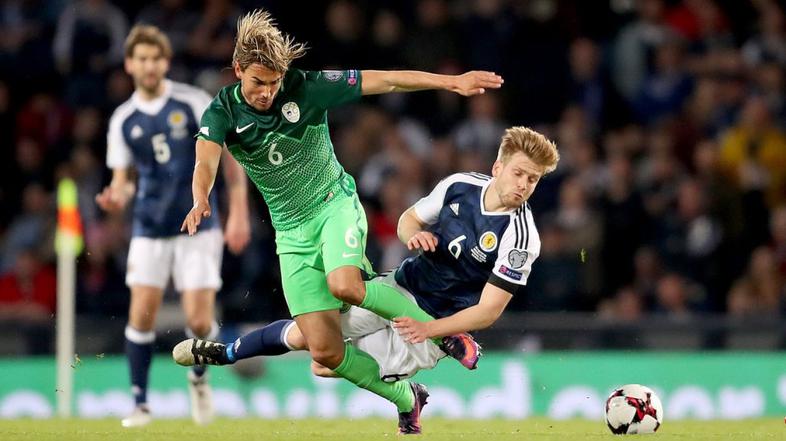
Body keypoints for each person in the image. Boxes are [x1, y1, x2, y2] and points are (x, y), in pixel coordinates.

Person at [179, 9, 503, 435]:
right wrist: (201, 197)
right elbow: (206, 160)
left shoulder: (307, 88)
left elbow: (383, 79)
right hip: (291, 234)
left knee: (345, 285)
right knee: (325, 353)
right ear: (238, 70)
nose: (267, 93)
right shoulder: (222, 112)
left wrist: (451, 82)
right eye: (258, 82)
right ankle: (408, 398)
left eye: (274, 83)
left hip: (335, 204)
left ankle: (442, 334)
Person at [96, 25, 251, 428]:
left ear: (165, 62)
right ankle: (140, 404)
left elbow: (229, 159)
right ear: (130, 64)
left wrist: (238, 212)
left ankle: (198, 379)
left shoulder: (193, 101)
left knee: (200, 322)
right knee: (141, 315)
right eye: (142, 59)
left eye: (156, 58)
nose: (149, 66)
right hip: (149, 226)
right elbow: (124, 179)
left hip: (200, 225)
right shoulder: (123, 119)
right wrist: (117, 195)